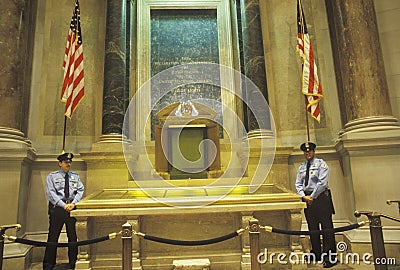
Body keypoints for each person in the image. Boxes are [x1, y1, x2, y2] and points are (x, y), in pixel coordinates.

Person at [295, 142, 337, 268]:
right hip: (307, 199)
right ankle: (316, 253)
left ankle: (330, 256)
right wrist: (304, 196)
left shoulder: (321, 164)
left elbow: (322, 183)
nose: (307, 153)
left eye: (310, 151)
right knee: (312, 227)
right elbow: (298, 183)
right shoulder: (301, 167)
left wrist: (312, 196)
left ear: (314, 151)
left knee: (326, 227)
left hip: (321, 199)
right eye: (305, 152)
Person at [43, 153, 84, 270]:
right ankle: (48, 265)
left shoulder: (74, 176)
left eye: (69, 162)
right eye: (66, 162)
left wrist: (74, 203)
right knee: (53, 236)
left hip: (71, 208)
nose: (68, 164)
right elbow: (51, 193)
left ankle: (73, 263)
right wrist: (62, 205)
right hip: (58, 210)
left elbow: (80, 190)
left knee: (72, 236)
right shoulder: (52, 176)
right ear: (60, 163)